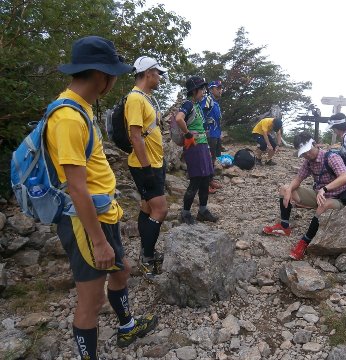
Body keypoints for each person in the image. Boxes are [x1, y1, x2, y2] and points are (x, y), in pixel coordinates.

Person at [47, 37, 157, 360]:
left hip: (103, 213)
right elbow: (77, 187)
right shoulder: (67, 118)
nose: (114, 81)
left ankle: (126, 327)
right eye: (112, 74)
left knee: (120, 272)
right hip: (85, 223)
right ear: (100, 75)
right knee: (91, 300)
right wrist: (98, 241)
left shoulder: (81, 109)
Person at [262, 131, 346, 260]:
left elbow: (345, 177)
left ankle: (305, 241)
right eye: (303, 153)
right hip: (318, 195)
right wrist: (288, 192)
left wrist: (324, 189)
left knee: (324, 204)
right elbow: (298, 179)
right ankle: (284, 226)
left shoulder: (331, 157)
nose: (307, 154)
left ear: (315, 144)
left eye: (308, 150)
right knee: (285, 188)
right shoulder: (308, 161)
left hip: (337, 198)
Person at [125, 56, 168, 280]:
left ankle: (145, 251)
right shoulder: (135, 98)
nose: (160, 77)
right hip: (145, 165)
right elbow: (135, 135)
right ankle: (148, 258)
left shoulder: (146, 98)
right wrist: (147, 169)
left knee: (146, 207)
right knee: (160, 210)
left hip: (154, 162)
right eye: (157, 73)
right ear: (148, 73)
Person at [175, 76, 219, 225]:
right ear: (194, 91)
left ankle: (203, 210)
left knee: (205, 179)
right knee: (196, 180)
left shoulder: (197, 106)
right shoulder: (188, 104)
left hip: (202, 146)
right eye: (201, 89)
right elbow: (179, 118)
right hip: (194, 147)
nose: (204, 92)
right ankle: (186, 212)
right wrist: (187, 134)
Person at [201, 80, 224, 193]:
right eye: (217, 88)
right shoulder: (208, 99)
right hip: (209, 134)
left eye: (221, 88)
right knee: (208, 158)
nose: (220, 90)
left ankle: (210, 180)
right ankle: (205, 185)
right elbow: (201, 114)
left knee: (213, 158)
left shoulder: (216, 102)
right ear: (211, 89)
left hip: (216, 134)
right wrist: (204, 130)